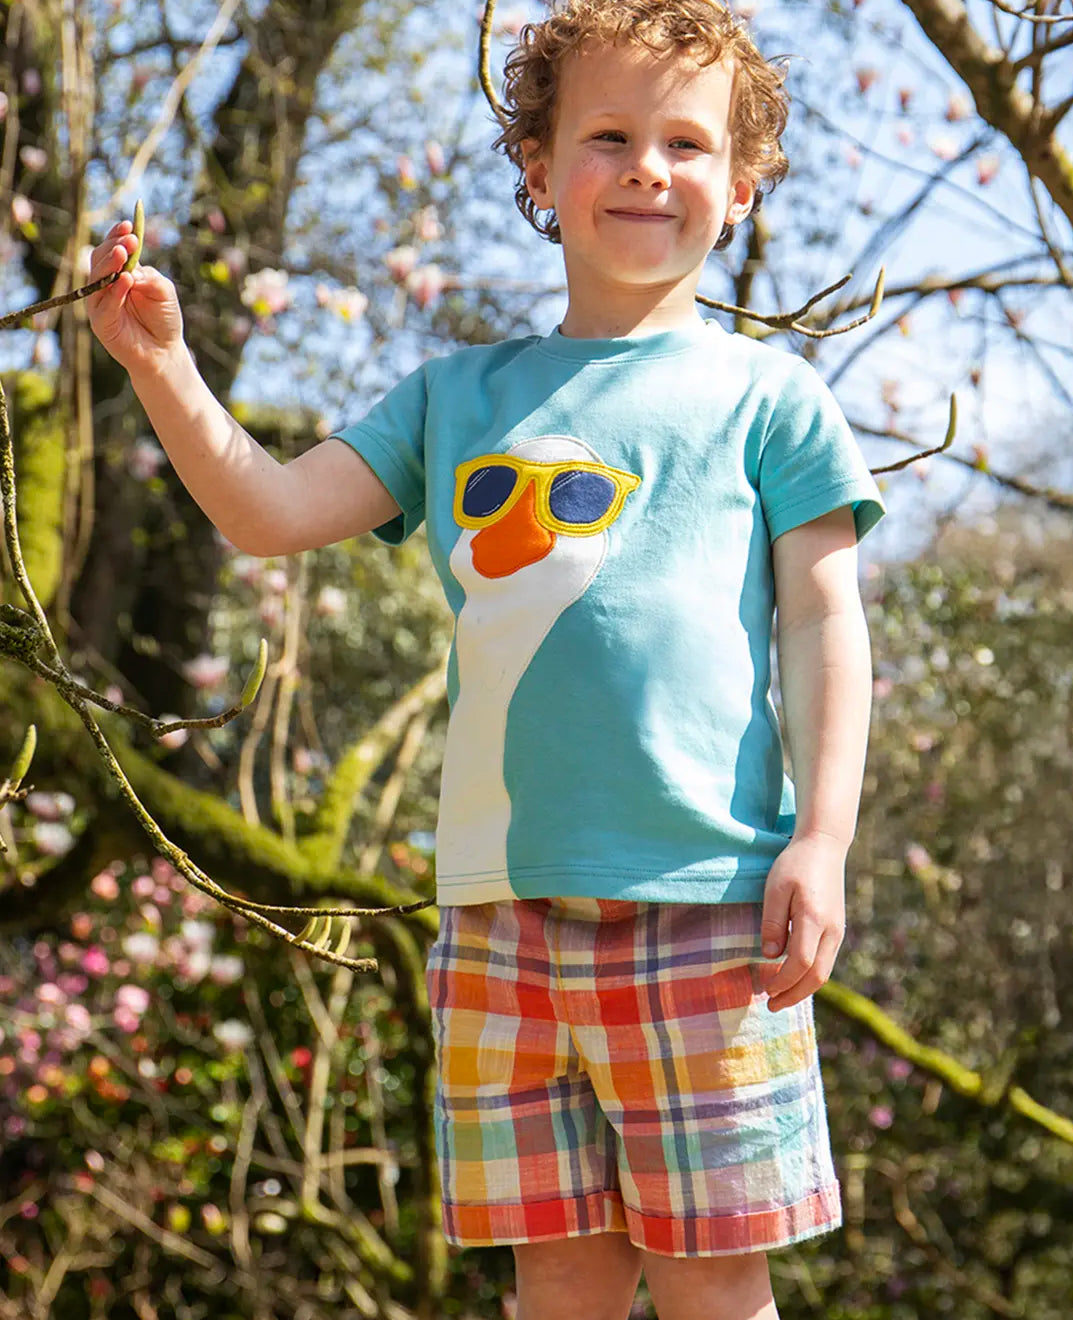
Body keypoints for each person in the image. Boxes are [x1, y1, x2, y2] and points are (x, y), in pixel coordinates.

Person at [86, 2, 885, 1315]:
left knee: (710, 1274)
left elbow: (823, 622)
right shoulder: (457, 400)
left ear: (740, 187)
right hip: (500, 914)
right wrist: (163, 365)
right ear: (536, 169)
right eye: (609, 135)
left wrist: (825, 838)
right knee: (558, 1276)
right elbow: (267, 513)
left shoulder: (770, 401)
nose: (646, 167)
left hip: (710, 904)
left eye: (686, 143)